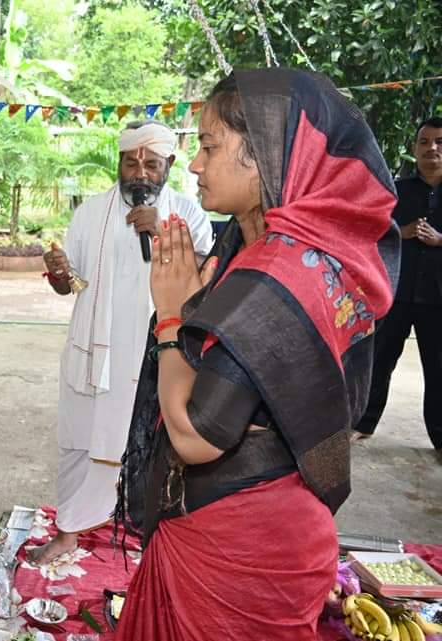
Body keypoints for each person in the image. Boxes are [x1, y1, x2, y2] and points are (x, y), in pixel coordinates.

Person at [113, 69, 399, 640]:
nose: (194, 164)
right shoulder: (298, 252)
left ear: (269, 153)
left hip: (239, 548)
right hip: (280, 518)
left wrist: (170, 315)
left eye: (211, 146)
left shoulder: (277, 271)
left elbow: (196, 436)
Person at [32, 121, 213, 564]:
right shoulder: (90, 213)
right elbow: (69, 286)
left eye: (151, 164)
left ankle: (151, 536)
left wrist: (164, 232)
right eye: (131, 162)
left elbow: (206, 283)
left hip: (157, 354)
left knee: (155, 449)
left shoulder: (188, 215)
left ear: (168, 166)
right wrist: (59, 273)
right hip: (95, 354)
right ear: (119, 162)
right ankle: (69, 530)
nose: (140, 173)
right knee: (79, 440)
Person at [354, 117, 442, 451]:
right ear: (415, 149)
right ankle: (364, 423)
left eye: (439, 142)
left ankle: (440, 437)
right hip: (397, 292)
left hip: (438, 296)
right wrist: (400, 233)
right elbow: (369, 230)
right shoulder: (397, 191)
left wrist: (439, 239)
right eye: (424, 142)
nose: (431, 148)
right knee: (379, 360)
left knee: (438, 369)